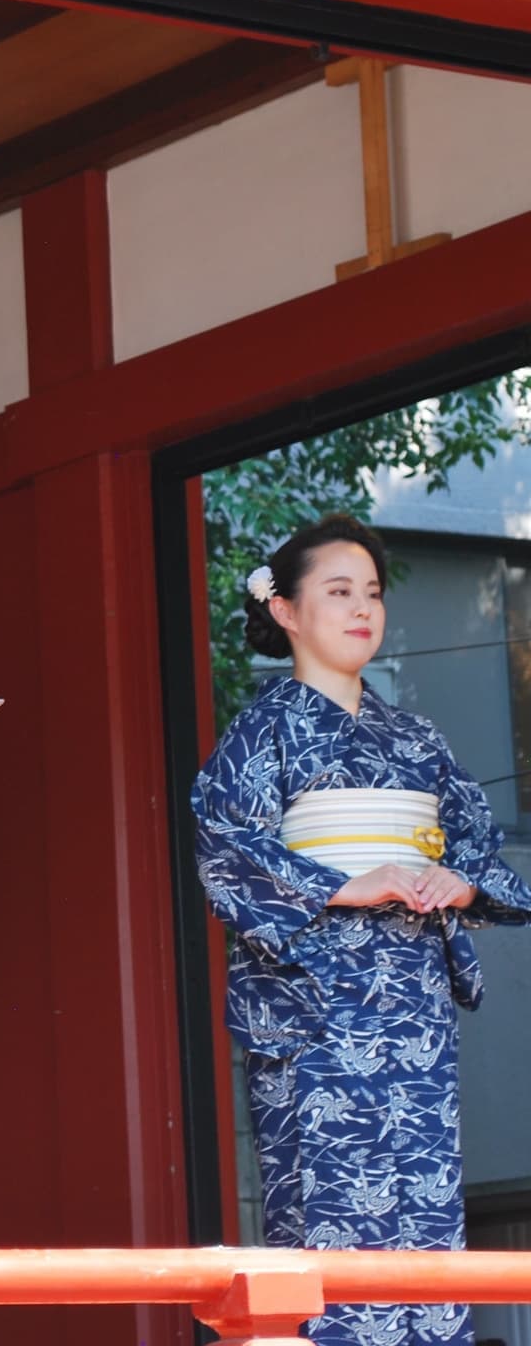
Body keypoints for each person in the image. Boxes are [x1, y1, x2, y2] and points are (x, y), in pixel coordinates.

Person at [194, 514, 531, 1346]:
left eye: (372, 593)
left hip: (409, 1008)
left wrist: (458, 880)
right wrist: (349, 883)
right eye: (337, 593)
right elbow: (223, 842)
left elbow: (478, 843)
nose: (361, 610)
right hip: (316, 1015)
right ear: (286, 611)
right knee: (330, 1218)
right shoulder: (263, 730)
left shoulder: (417, 738)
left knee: (423, 1214)